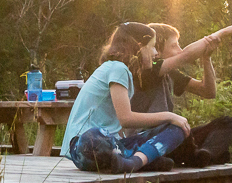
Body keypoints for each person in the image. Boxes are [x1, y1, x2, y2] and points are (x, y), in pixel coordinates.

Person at [61, 22, 192, 174]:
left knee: (177, 128)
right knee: (96, 135)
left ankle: (134, 161)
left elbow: (119, 126)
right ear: (139, 46)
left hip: (109, 147)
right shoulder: (118, 68)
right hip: (86, 146)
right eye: (152, 46)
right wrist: (169, 115)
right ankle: (142, 159)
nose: (156, 53)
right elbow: (126, 119)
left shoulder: (120, 70)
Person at [135, 20, 232, 167]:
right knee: (182, 133)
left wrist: (206, 58)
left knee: (227, 123)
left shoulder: (171, 74)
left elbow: (208, 91)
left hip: (171, 137)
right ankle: (204, 156)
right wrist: (225, 32)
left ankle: (203, 155)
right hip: (149, 141)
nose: (179, 49)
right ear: (156, 49)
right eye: (174, 45)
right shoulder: (147, 70)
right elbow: (186, 56)